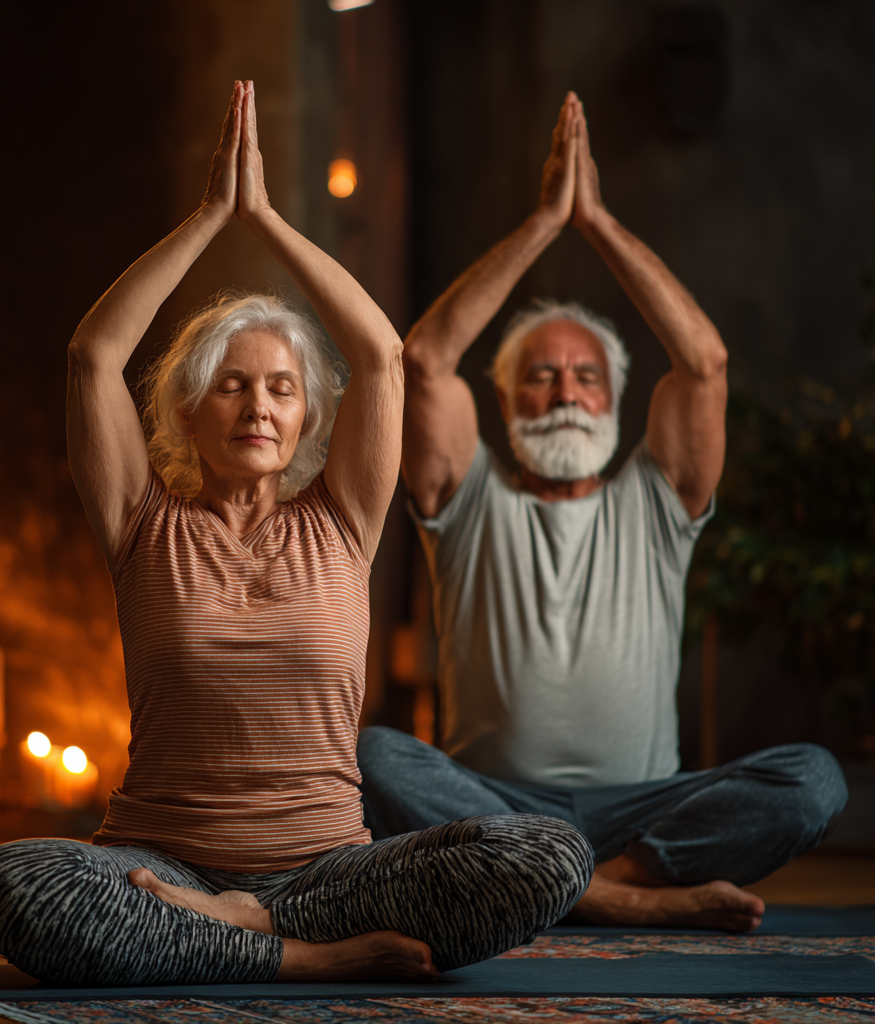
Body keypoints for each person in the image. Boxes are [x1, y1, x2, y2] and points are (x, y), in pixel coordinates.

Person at [0, 82, 593, 986]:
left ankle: (255, 927)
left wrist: (264, 218)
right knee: (14, 883)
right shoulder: (141, 520)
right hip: (163, 868)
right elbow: (92, 356)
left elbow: (381, 354)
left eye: (281, 389)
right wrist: (211, 218)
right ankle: (304, 959)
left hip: (327, 873)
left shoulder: (344, 519)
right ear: (188, 411)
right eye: (231, 385)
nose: (257, 405)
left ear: (306, 419)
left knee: (550, 854)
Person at [357, 91, 847, 932]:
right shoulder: (466, 496)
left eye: (586, 378)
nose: (566, 393)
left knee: (816, 780)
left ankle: (580, 884)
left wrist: (598, 222)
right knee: (373, 756)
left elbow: (704, 361)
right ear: (504, 401)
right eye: (540, 377)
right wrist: (545, 224)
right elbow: (427, 359)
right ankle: (622, 900)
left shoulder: (657, 499)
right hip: (494, 805)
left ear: (616, 402)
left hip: (645, 811)